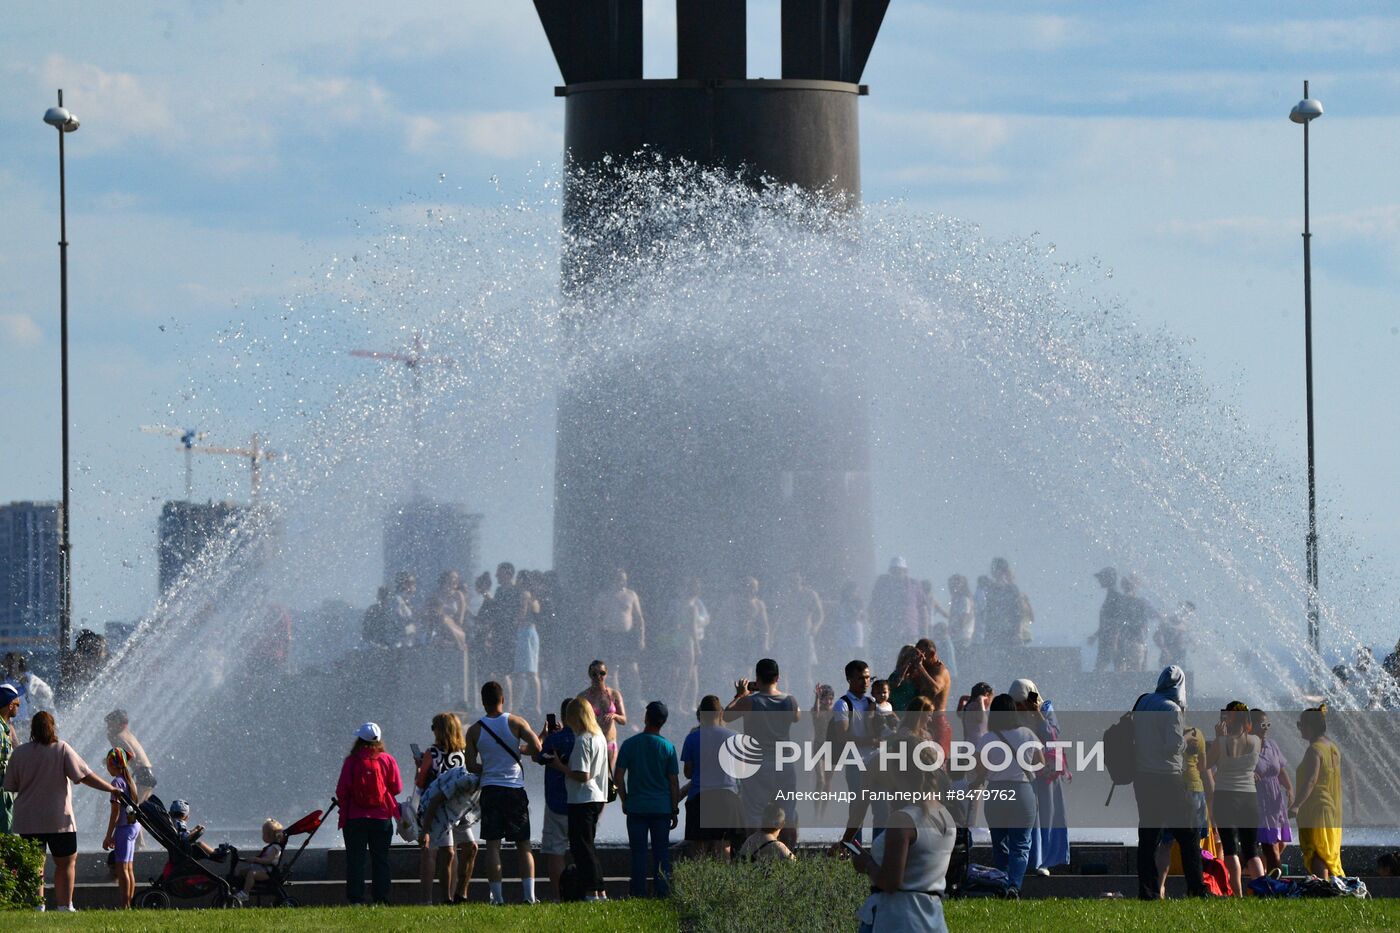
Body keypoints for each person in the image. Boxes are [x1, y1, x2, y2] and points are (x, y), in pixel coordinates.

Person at [3, 711, 120, 912]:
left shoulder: (20, 753)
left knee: (34, 865)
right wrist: (110, 788)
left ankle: (37, 906)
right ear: (52, 727)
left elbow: (10, 786)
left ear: (33, 729)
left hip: (28, 819)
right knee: (66, 863)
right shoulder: (62, 749)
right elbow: (84, 776)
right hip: (59, 819)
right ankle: (65, 905)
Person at [851, 748, 956, 933]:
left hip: (899, 918)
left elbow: (890, 882)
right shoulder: (946, 817)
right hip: (932, 917)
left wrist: (866, 862)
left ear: (902, 777)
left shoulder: (903, 819)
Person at [465, 680, 543, 905]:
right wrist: (525, 746)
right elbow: (537, 748)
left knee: (492, 845)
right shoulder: (516, 722)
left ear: (483, 702)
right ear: (503, 699)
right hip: (515, 791)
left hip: (491, 790)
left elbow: (471, 765)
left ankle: (497, 898)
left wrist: (489, 767)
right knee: (523, 845)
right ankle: (529, 896)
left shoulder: (474, 730)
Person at [1132, 666, 1206, 899]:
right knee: (1189, 833)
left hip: (1143, 778)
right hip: (1167, 777)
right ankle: (1196, 888)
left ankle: (1149, 892)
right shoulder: (1172, 709)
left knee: (1148, 837)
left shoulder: (1144, 702)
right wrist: (1187, 739)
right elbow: (1173, 746)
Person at [971, 693, 1043, 894]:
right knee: (1021, 843)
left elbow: (979, 769)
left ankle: (1001, 881)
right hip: (1022, 792)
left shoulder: (988, 738)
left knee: (999, 841)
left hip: (996, 792)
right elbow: (1040, 763)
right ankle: (1014, 885)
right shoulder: (1027, 734)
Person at [725, 658, 801, 847]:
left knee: (755, 814)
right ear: (778, 677)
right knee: (787, 814)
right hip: (784, 764)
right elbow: (797, 717)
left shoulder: (750, 702)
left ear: (757, 678)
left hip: (756, 766)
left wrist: (741, 695)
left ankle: (755, 857)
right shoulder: (789, 701)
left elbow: (726, 715)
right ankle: (787, 855)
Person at [615, 700, 681, 898]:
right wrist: (674, 808)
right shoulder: (668, 747)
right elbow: (673, 783)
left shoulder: (630, 744)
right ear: (663, 722)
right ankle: (662, 892)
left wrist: (625, 800)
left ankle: (638, 893)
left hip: (636, 807)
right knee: (661, 852)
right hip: (661, 809)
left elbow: (618, 776)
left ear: (646, 718)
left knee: (638, 853)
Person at [334, 721, 402, 905]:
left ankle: (356, 899)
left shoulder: (352, 761)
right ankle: (382, 898)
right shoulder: (387, 759)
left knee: (356, 860)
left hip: (355, 818)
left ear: (359, 739)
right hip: (381, 818)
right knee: (380, 858)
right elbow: (397, 788)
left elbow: (341, 790)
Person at [549, 696, 609, 901]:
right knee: (588, 846)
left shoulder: (583, 739)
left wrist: (559, 766)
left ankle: (592, 891)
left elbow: (583, 775)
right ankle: (599, 890)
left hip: (581, 799)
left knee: (581, 848)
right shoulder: (599, 736)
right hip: (596, 798)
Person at [415, 713, 475, 905]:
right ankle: (446, 897)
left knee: (441, 852)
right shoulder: (464, 753)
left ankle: (432, 898)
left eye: (434, 727)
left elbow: (421, 782)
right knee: (450, 852)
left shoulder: (432, 753)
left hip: (444, 809)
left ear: (441, 730)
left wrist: (419, 768)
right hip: (454, 807)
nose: (432, 731)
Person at [1011, 678, 1069, 876]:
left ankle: (1045, 861)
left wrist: (1036, 714)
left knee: (1048, 815)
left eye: (1022, 702)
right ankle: (1031, 859)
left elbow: (1052, 734)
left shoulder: (1045, 707)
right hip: (1025, 771)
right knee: (1030, 816)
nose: (1019, 707)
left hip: (1048, 772)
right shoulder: (1013, 712)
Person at [1208, 700, 1263, 896]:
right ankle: (1262, 891)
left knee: (1230, 849)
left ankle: (1238, 894)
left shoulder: (1221, 742)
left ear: (1229, 718)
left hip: (1225, 798)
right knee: (1251, 850)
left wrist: (1218, 738)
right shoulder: (1256, 740)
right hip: (1249, 798)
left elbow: (1206, 764)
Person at [1154, 718, 1212, 897]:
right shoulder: (1197, 733)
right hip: (1194, 790)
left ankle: (1160, 886)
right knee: (1193, 845)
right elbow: (1203, 766)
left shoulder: (1164, 735)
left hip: (1172, 789)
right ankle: (1197, 885)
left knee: (1165, 843)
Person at [680, 695, 743, 858]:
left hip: (700, 798)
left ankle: (700, 882)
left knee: (699, 848)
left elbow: (688, 772)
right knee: (724, 846)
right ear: (720, 713)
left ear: (701, 714)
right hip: (727, 798)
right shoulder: (733, 737)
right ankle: (723, 883)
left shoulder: (692, 738)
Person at [1289, 704, 1343, 879]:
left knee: (1316, 850)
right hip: (1331, 808)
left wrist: (1296, 805)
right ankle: (1329, 887)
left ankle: (1322, 888)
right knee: (1326, 850)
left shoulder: (1314, 750)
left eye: (1300, 725)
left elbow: (1311, 780)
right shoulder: (1333, 747)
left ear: (1309, 726)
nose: (1299, 729)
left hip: (1316, 808)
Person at [416, 765, 482, 905]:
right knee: (448, 852)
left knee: (472, 848)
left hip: (458, 811)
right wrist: (425, 831)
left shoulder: (492, 788)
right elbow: (435, 800)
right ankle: (446, 899)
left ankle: (461, 895)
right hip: (438, 810)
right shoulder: (467, 781)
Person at [831, 660, 879, 847]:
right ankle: (853, 849)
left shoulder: (872, 702)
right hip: (855, 764)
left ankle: (880, 848)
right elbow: (843, 736)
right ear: (849, 679)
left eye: (867, 677)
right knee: (858, 808)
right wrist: (871, 741)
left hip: (876, 762)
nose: (865, 682)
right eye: (860, 678)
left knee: (881, 808)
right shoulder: (842, 705)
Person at [533, 700, 575, 900]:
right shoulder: (586, 739)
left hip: (556, 802)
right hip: (581, 803)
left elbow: (537, 756)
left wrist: (547, 736)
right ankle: (584, 892)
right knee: (582, 849)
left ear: (563, 716)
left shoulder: (554, 740)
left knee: (556, 852)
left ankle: (559, 896)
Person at [593, 569, 647, 703]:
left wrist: (641, 638)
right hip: (610, 636)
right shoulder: (603, 597)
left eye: (624, 579)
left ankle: (636, 698)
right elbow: (596, 620)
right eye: (619, 578)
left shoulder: (631, 595)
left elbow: (639, 618)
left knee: (632, 668)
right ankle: (616, 700)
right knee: (613, 669)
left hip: (627, 637)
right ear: (613, 579)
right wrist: (596, 639)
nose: (622, 581)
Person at [1251, 708, 1294, 873]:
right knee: (1271, 847)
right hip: (1259, 802)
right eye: (1262, 724)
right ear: (1251, 725)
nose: (1266, 727)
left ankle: (1258, 870)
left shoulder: (1272, 745)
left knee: (1280, 843)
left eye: (1268, 724)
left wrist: (1289, 788)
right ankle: (1276, 886)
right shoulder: (1245, 747)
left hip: (1275, 801)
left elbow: (1281, 770)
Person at [770, 571, 824, 698]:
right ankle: (784, 700)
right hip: (787, 636)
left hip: (804, 636)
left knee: (806, 671)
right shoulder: (784, 595)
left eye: (796, 580)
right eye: (790, 581)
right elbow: (776, 617)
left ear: (801, 581)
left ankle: (811, 701)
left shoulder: (810, 594)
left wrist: (815, 627)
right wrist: (772, 635)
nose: (793, 584)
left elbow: (820, 614)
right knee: (784, 670)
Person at [101, 748, 142, 908]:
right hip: (134, 827)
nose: (107, 768)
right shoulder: (129, 781)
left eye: (107, 764)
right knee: (129, 867)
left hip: (124, 829)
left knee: (122, 868)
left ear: (112, 764)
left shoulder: (117, 783)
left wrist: (108, 835)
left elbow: (115, 813)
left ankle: (125, 905)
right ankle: (128, 903)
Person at [869, 557, 929, 663]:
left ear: (905, 571)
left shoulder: (914, 585)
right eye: (894, 571)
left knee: (911, 663)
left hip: (909, 632)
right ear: (890, 571)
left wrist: (924, 632)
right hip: (889, 632)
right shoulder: (884, 586)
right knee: (890, 662)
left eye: (899, 570)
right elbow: (874, 607)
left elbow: (922, 610)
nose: (897, 574)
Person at [663, 578, 707, 719]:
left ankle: (690, 704)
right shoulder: (692, 607)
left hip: (679, 638)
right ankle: (678, 703)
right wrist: (698, 647)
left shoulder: (682, 603)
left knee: (692, 672)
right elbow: (692, 628)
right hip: (687, 641)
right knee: (686, 673)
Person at [579, 659, 628, 770]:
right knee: (593, 779)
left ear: (606, 674)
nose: (598, 677)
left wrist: (615, 716)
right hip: (592, 744)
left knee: (608, 780)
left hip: (609, 743)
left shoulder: (614, 694)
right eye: (594, 674)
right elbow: (576, 721)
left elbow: (624, 720)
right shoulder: (583, 697)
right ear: (590, 675)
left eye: (602, 673)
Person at [104, 709, 156, 803]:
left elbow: (132, 754)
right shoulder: (126, 733)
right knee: (140, 810)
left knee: (133, 809)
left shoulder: (118, 736)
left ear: (117, 723)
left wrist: (112, 760)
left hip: (143, 775)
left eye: (110, 724)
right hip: (147, 774)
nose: (108, 727)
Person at [981, 558, 1031, 646]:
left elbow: (1017, 613)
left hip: (1009, 631)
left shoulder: (1011, 589)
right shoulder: (991, 589)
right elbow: (989, 612)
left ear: (1001, 571)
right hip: (994, 632)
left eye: (994, 569)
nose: (992, 572)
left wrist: (1018, 632)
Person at [233, 819, 284, 903]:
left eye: (263, 833)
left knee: (251, 874)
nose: (262, 835)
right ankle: (239, 890)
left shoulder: (275, 848)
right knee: (243, 872)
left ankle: (245, 893)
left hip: (268, 873)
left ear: (269, 835)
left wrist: (256, 859)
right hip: (262, 869)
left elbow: (269, 860)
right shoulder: (269, 847)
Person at [3, 653, 54, 733]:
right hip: (9, 722)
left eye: (12, 664)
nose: (9, 667)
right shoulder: (4, 680)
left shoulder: (28, 678)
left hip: (25, 721)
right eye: (8, 665)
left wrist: (30, 690)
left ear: (18, 664)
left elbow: (47, 692)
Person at [1117, 575, 1157, 673]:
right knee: (1136, 672)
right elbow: (1155, 615)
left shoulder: (1119, 601)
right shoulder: (1141, 601)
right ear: (1136, 586)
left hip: (1122, 641)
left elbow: (1115, 622)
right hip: (1136, 641)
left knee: (1122, 670)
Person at [1087, 567, 1124, 672]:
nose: (1099, 580)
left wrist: (1115, 640)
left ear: (1109, 579)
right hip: (1107, 639)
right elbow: (1108, 622)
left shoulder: (1115, 596)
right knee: (1112, 669)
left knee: (1102, 670)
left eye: (1101, 577)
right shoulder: (1111, 595)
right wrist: (1096, 635)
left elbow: (1117, 620)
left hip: (1111, 640)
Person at [425, 571, 469, 652]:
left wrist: (447, 622)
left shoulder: (458, 595)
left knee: (443, 618)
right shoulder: (435, 595)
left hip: (456, 631)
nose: (456, 580)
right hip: (438, 629)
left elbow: (460, 621)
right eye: (453, 578)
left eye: (457, 578)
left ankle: (458, 644)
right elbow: (428, 615)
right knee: (440, 620)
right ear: (445, 580)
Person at [0, 683, 19, 833]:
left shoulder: (5, 728)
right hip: (2, 788)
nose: (19, 708)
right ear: (10, 705)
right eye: (17, 704)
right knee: (5, 835)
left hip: (5, 787)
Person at [941, 574, 976, 652]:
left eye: (953, 586)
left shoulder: (964, 600)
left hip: (963, 638)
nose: (951, 589)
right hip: (956, 638)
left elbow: (964, 619)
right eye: (950, 586)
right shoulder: (956, 600)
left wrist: (952, 630)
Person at [1154, 601, 1194, 669]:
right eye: (1185, 611)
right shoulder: (1167, 622)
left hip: (1180, 658)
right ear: (1179, 609)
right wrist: (1165, 650)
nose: (1186, 614)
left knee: (1181, 677)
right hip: (1167, 658)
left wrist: (1193, 643)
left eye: (1189, 613)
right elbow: (1156, 637)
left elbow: (1186, 638)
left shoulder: (1186, 625)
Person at [831, 581, 867, 655]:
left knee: (855, 651)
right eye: (853, 590)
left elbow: (859, 616)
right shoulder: (842, 602)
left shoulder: (858, 603)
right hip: (843, 628)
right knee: (845, 652)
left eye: (856, 591)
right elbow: (837, 616)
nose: (854, 593)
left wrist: (855, 615)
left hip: (854, 629)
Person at [393, 571, 418, 645]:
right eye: (412, 582)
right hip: (399, 648)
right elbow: (399, 628)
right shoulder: (397, 602)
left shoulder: (406, 602)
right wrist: (417, 627)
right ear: (404, 584)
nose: (414, 585)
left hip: (406, 645)